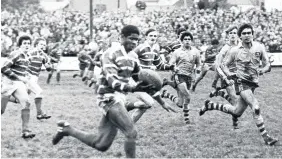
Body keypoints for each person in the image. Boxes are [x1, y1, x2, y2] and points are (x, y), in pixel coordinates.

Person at [52, 25, 156, 158]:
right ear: (121, 37)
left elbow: (138, 78)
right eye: (131, 39)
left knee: (101, 144)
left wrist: (151, 86)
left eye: (137, 40)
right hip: (108, 97)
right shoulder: (110, 54)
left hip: (120, 98)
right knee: (131, 132)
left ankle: (67, 129)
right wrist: (134, 88)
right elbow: (112, 80)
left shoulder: (134, 57)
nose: (134, 42)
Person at [199, 23, 279, 146]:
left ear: (252, 34)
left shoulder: (259, 47)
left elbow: (267, 64)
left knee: (237, 112)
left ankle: (211, 105)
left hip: (253, 83)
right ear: (240, 37)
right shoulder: (234, 50)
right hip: (241, 82)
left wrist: (263, 70)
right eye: (244, 33)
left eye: (249, 33)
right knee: (255, 107)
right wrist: (230, 75)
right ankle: (266, 137)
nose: (247, 35)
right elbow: (223, 65)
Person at [161, 31, 201, 124]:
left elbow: (199, 63)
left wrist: (198, 70)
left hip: (189, 77)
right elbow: (171, 63)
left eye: (189, 39)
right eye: (185, 39)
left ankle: (167, 93)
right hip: (179, 75)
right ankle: (187, 118)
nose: (187, 41)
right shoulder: (177, 52)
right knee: (187, 95)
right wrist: (174, 67)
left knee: (180, 104)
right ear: (182, 41)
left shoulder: (196, 51)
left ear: (191, 41)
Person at [1, 35, 35, 138]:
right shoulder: (16, 54)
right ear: (20, 45)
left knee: (26, 102)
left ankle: (26, 131)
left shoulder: (28, 56)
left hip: (18, 84)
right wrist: (20, 78)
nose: (27, 45)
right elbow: (3, 68)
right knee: (1, 110)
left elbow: (22, 71)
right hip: (9, 83)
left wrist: (26, 78)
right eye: (24, 43)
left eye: (29, 43)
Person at [27, 37, 52, 120]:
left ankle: (4, 98)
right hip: (28, 77)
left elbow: (48, 68)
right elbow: (24, 64)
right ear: (36, 44)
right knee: (39, 92)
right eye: (41, 44)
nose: (42, 46)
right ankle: (40, 113)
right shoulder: (31, 53)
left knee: (21, 98)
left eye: (44, 45)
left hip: (34, 78)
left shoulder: (44, 56)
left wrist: (49, 66)